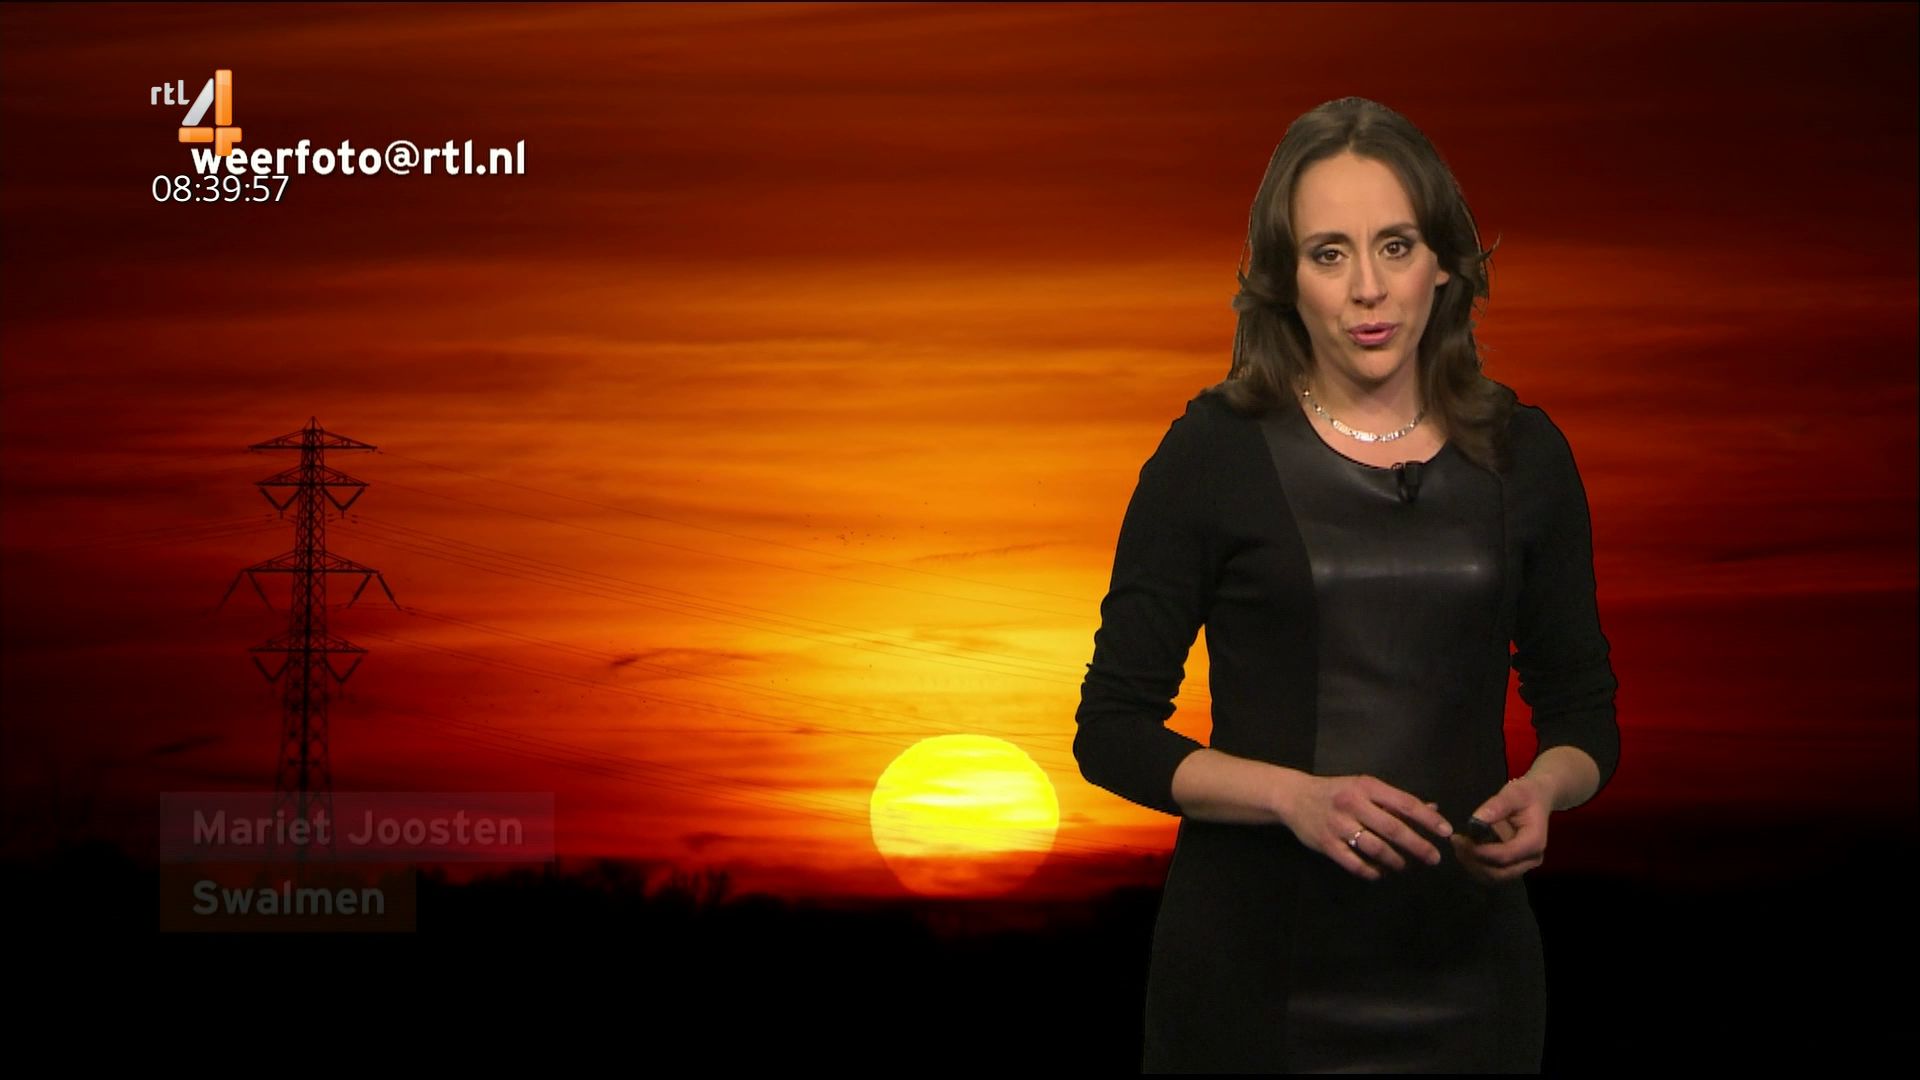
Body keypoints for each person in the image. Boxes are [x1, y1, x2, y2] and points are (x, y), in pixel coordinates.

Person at [1072, 96, 1621, 1073]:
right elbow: (1110, 730)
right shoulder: (1212, 454)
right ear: (1285, 278)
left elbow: (1582, 712)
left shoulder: (1526, 456)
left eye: (1395, 246)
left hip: (1473, 982)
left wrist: (1545, 789)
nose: (1368, 288)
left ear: (1443, 262)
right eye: (1330, 254)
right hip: (1256, 984)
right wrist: (1294, 800)